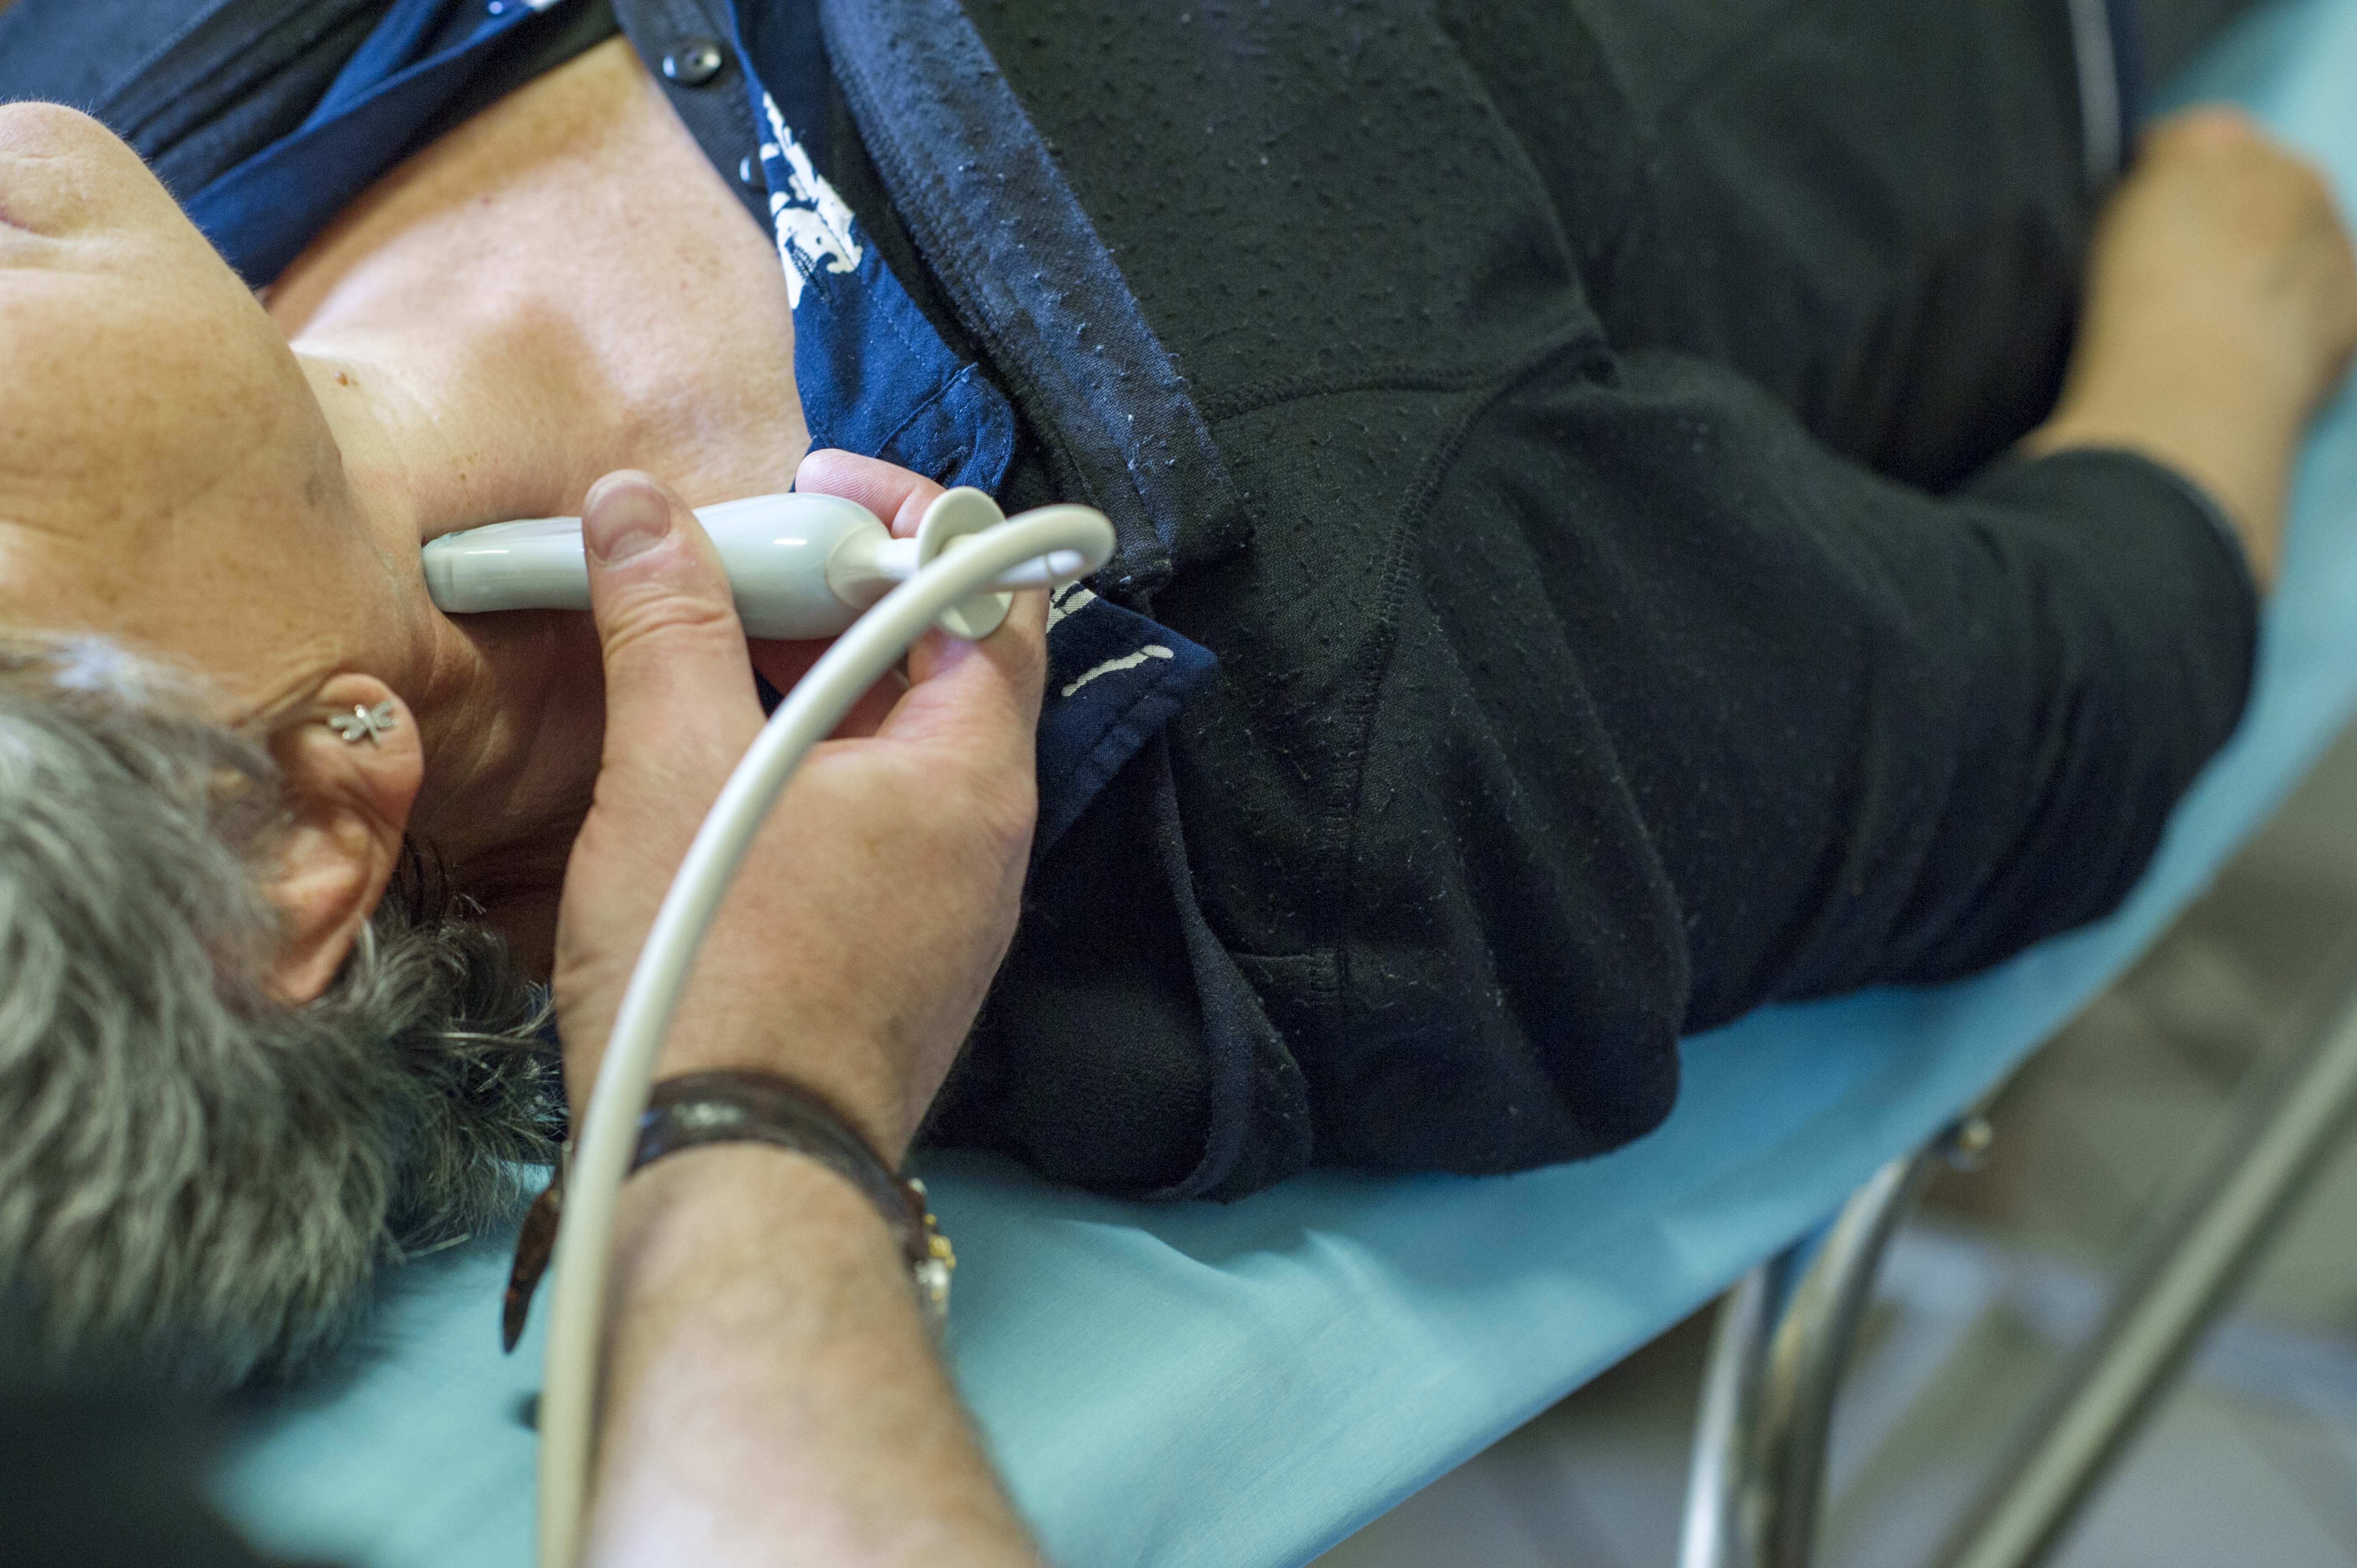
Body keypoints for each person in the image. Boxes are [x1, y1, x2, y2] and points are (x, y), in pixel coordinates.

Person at [0, 0, 2352, 1385]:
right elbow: (2048, 705)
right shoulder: (1336, 736)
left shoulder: (99, 89)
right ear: (279, 834)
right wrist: (2216, 340)